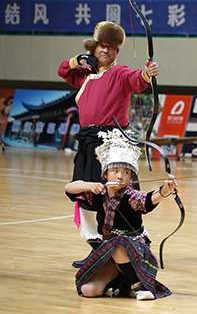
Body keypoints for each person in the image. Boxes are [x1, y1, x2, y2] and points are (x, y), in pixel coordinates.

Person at [58, 21, 160, 267]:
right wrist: (78, 60)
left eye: (112, 48)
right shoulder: (85, 74)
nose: (106, 51)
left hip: (111, 144)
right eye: (102, 46)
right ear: (94, 48)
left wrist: (148, 72)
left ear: (117, 51)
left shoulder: (119, 72)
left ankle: (126, 244)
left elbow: (136, 79)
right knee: (84, 193)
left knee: (115, 195)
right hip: (87, 140)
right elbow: (63, 70)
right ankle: (95, 247)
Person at [65, 129, 176, 299]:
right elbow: (69, 189)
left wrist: (165, 190)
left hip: (134, 254)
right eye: (115, 171)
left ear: (131, 178)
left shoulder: (131, 195)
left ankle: (139, 286)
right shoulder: (97, 194)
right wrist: (88, 185)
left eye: (126, 173)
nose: (119, 176)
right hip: (110, 251)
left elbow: (149, 199)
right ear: (105, 174)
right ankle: (122, 283)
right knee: (89, 290)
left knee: (119, 245)